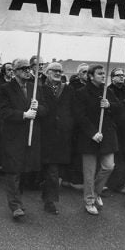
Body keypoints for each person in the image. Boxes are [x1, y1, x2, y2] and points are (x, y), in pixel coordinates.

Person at [0, 58, 48, 219]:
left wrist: (37, 108)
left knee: (22, 170)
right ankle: (15, 205)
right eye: (24, 68)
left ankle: (18, 200)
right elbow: (3, 111)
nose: (28, 71)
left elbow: (45, 109)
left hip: (30, 135)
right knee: (13, 171)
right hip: (13, 135)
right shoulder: (5, 88)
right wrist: (23, 115)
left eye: (29, 68)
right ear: (15, 71)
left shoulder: (35, 88)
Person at [74, 64, 118, 215]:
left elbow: (119, 107)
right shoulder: (81, 92)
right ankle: (89, 201)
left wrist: (109, 105)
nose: (103, 75)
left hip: (106, 136)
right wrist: (92, 133)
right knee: (89, 172)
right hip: (89, 137)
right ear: (91, 76)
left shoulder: (108, 91)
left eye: (103, 73)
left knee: (109, 166)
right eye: (99, 73)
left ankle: (96, 192)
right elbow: (80, 116)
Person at [40, 62, 75, 214]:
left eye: (60, 71)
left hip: (62, 135)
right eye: (54, 70)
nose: (58, 73)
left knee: (54, 170)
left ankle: (49, 198)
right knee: (50, 170)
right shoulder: (40, 89)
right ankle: (48, 198)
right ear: (47, 72)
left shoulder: (68, 89)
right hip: (45, 134)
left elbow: (72, 109)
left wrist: (68, 125)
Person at [106, 67, 125, 194]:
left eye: (123, 75)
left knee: (124, 155)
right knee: (116, 157)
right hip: (113, 128)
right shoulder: (108, 90)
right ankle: (115, 184)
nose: (122, 77)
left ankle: (123, 182)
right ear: (112, 77)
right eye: (118, 75)